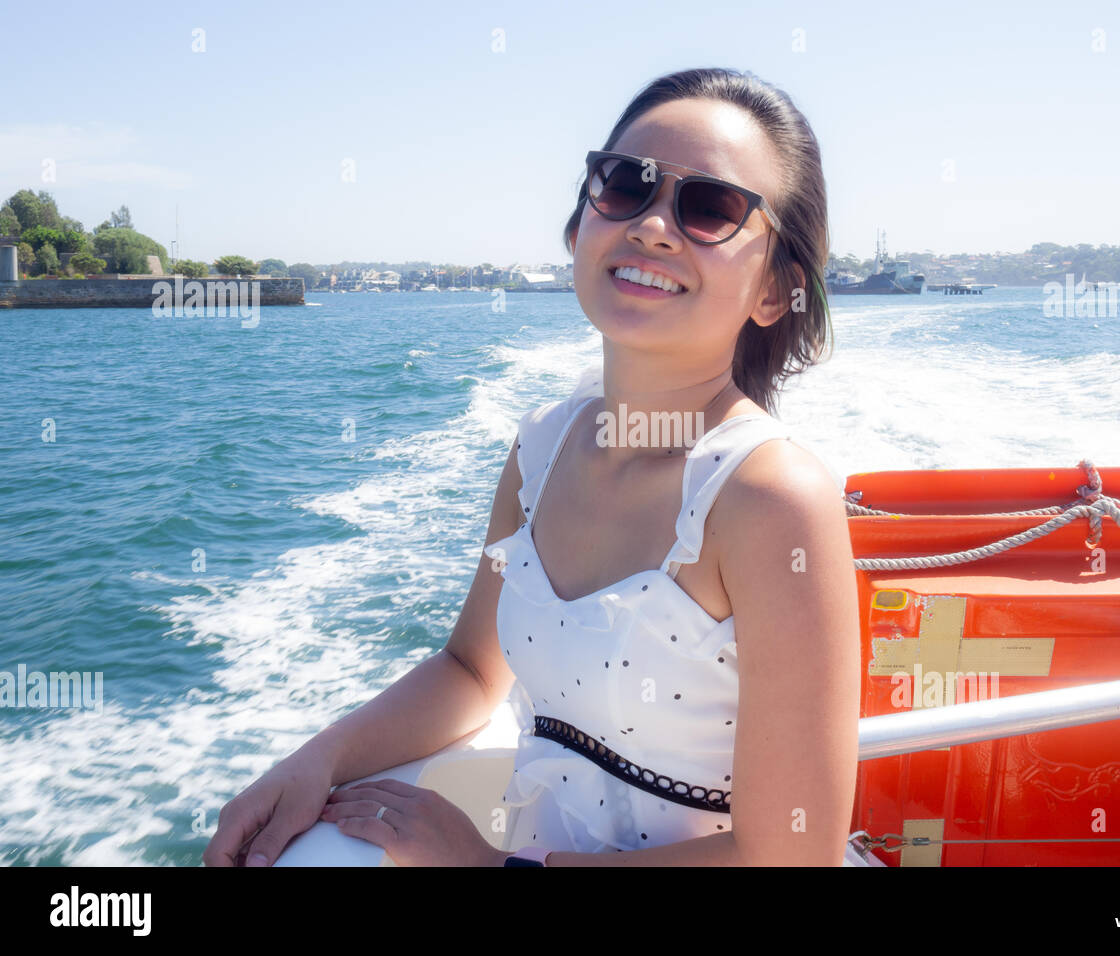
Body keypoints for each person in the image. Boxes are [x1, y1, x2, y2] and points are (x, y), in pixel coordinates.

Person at [204, 66, 860, 867]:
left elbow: (793, 857)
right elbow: (470, 670)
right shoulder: (543, 451)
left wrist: (491, 867)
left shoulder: (769, 499)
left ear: (774, 291)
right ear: (582, 221)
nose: (654, 226)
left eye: (710, 208)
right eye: (626, 185)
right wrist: (313, 764)